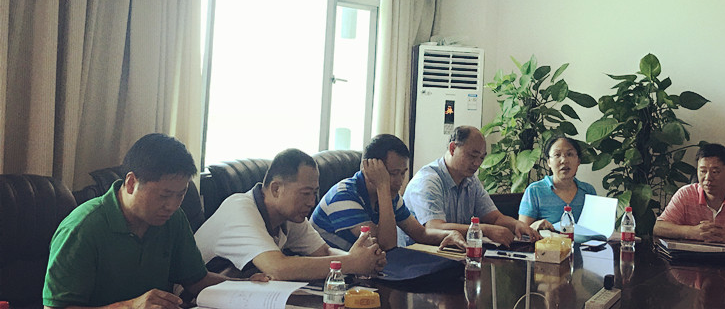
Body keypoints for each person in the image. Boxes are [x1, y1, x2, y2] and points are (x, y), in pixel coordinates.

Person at [43, 133, 266, 309]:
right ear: (131, 183)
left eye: (180, 194)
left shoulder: (173, 219)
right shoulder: (82, 228)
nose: (172, 205)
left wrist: (248, 287)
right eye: (164, 195)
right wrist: (130, 306)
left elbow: (196, 281)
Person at [195, 148, 385, 281]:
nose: (312, 202)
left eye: (314, 193)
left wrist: (365, 259)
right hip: (194, 298)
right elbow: (277, 268)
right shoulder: (240, 209)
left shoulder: (290, 216)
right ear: (276, 189)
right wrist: (351, 262)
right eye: (305, 193)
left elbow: (324, 252)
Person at [311, 134, 466, 251]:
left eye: (403, 173)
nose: (399, 181)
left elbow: (421, 234)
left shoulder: (390, 195)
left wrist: (449, 234)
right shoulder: (343, 196)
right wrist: (383, 188)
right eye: (393, 173)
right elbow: (385, 246)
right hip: (330, 275)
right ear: (369, 168)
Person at [403, 125, 539, 247]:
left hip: (453, 253)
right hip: (418, 255)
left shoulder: (471, 181)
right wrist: (483, 230)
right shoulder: (428, 181)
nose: (477, 163)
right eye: (473, 156)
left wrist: (516, 224)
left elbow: (495, 218)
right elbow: (435, 227)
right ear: (452, 148)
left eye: (481, 158)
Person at [518, 136, 597, 231]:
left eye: (569, 154)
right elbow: (522, 231)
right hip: (548, 240)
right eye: (557, 155)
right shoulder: (535, 190)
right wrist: (535, 226)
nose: (564, 160)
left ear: (578, 161)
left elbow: (596, 228)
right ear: (549, 162)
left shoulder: (588, 191)